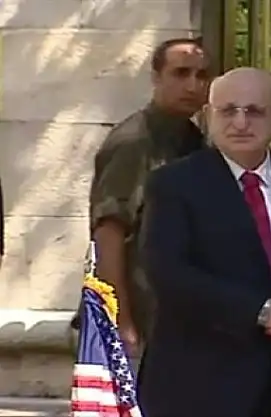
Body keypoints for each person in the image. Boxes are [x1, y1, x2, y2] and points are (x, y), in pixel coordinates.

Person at [137, 68, 271, 417]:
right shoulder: (173, 184)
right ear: (207, 116)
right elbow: (168, 272)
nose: (240, 123)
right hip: (200, 384)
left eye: (254, 111)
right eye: (228, 111)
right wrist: (262, 311)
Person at [86, 38, 208, 359]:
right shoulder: (135, 142)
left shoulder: (193, 140)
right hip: (141, 322)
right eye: (180, 73)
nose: (193, 85)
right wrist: (121, 323)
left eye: (201, 75)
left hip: (179, 321)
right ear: (156, 78)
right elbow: (109, 235)